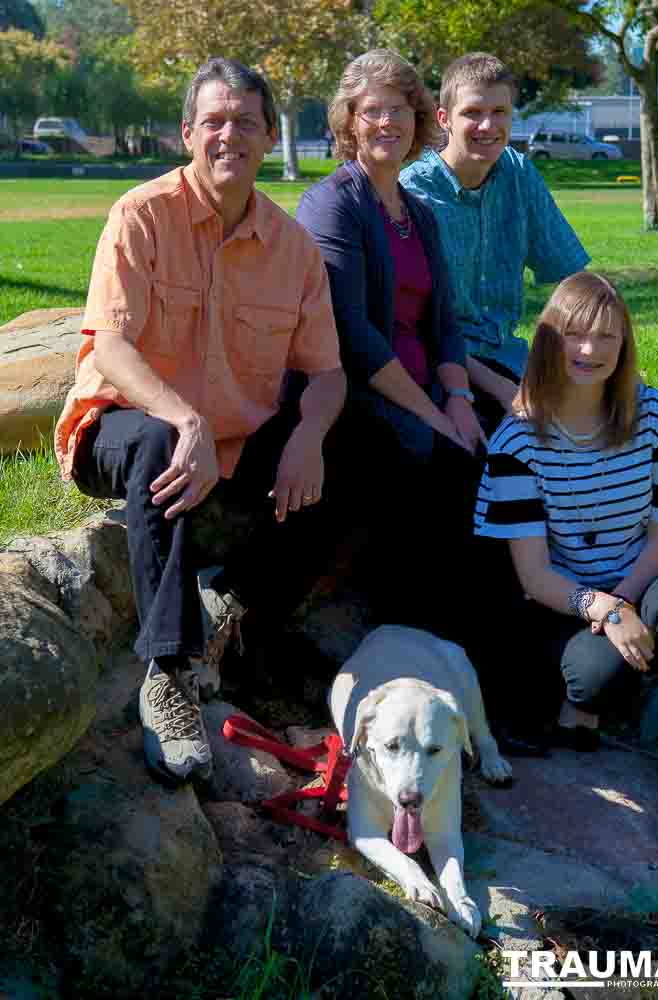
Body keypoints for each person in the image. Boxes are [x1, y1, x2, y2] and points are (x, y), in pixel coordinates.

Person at [54, 58, 346, 786]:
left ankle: (240, 605)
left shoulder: (293, 248)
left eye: (246, 122)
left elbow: (328, 373)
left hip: (232, 443)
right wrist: (182, 416)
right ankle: (168, 673)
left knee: (356, 448)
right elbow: (111, 347)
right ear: (187, 133)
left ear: (270, 135)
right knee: (160, 441)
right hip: (122, 427)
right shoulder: (139, 215)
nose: (229, 136)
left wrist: (309, 436)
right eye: (213, 121)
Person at [473, 272, 658, 820]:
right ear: (549, 339)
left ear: (625, 345)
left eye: (607, 336)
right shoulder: (517, 441)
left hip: (647, 575)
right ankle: (578, 710)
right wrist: (603, 610)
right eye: (574, 334)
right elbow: (534, 578)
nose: (590, 350)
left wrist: (624, 603)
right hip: (565, 600)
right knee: (594, 677)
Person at [295, 50, 488, 639]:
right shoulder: (332, 204)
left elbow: (445, 323)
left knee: (498, 440)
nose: (388, 123)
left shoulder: (419, 213)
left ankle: (498, 635)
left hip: (426, 386)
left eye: (399, 110)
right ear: (349, 121)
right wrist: (433, 415)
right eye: (372, 111)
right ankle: (414, 636)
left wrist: (456, 398)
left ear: (419, 119)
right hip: (356, 391)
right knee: (432, 457)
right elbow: (351, 336)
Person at [400, 52, 590, 425]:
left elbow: (571, 280)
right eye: (472, 112)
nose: (488, 125)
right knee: (508, 440)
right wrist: (501, 389)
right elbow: (411, 325)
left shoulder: (519, 173)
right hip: (440, 366)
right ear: (444, 119)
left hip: (510, 356)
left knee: (620, 413)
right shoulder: (413, 193)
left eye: (500, 112)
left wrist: (600, 353)